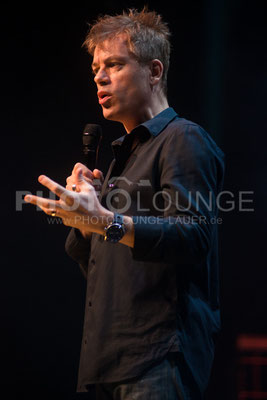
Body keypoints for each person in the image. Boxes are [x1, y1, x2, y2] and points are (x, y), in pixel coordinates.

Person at [25, 8, 225, 400]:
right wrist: (85, 223)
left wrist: (107, 221)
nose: (99, 77)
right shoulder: (121, 161)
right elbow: (111, 273)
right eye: (96, 68)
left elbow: (195, 235)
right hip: (108, 362)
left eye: (114, 64)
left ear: (154, 71)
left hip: (158, 359)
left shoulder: (183, 139)